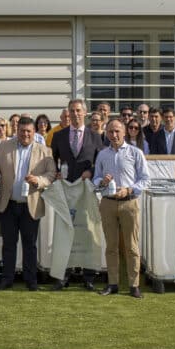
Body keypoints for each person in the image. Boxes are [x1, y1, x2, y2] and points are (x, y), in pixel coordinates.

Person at [0, 117, 55, 292]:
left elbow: (51, 174)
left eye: (29, 131)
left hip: (30, 205)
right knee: (9, 244)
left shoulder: (44, 151)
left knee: (30, 245)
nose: (25, 134)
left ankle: (31, 281)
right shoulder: (4, 147)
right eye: (22, 131)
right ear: (17, 131)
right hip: (8, 204)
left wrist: (38, 180)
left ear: (34, 133)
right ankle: (7, 279)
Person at [50, 98, 105, 290]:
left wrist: (91, 172)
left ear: (85, 113)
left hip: (86, 191)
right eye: (71, 111)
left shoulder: (96, 136)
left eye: (78, 111)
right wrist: (55, 173)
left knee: (87, 233)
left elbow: (100, 163)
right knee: (65, 233)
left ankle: (88, 277)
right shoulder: (59, 136)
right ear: (68, 113)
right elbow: (53, 161)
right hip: (65, 190)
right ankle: (63, 275)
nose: (75, 114)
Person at [93, 118, 149, 299]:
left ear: (125, 132)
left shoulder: (135, 153)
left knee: (131, 246)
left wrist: (129, 189)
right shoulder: (102, 155)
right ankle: (113, 283)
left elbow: (145, 179)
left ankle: (134, 285)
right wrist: (102, 182)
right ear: (106, 134)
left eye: (117, 131)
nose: (114, 135)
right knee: (111, 246)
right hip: (108, 203)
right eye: (110, 132)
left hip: (129, 203)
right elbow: (95, 179)